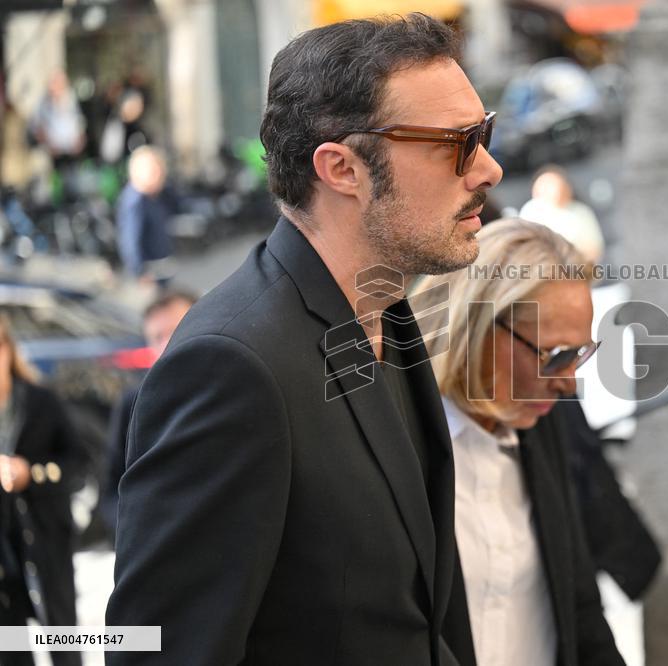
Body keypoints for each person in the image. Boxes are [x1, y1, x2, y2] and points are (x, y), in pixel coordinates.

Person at [105, 13, 502, 665]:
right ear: (342, 168)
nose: (488, 167)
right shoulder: (231, 366)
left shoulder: (387, 311)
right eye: (456, 143)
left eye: (482, 134)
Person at [418, 219, 624, 666]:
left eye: (581, 353)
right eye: (556, 356)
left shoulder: (545, 426)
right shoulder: (400, 438)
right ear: (477, 326)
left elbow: (580, 604)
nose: (568, 384)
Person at [0, 315, 85, 666]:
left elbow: (79, 465)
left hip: (47, 537)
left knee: (61, 636)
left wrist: (30, 473)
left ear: (6, 350)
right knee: (10, 645)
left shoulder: (40, 401)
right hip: (4, 553)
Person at [99, 290, 195, 538]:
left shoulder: (236, 385)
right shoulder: (132, 405)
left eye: (175, 330)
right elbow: (111, 491)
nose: (166, 343)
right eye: (156, 337)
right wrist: (136, 532)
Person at [519, 165, 605, 265]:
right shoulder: (531, 211)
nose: (554, 191)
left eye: (556, 186)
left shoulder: (581, 212)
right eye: (547, 187)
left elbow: (594, 249)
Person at [115, 146, 177, 283]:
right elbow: (130, 242)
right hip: (149, 275)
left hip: (160, 268)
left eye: (160, 170)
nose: (160, 176)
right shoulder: (135, 202)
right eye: (154, 171)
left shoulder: (153, 196)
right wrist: (140, 273)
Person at [29, 70, 86, 172]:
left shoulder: (71, 99)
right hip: (53, 155)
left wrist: (80, 141)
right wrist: (48, 144)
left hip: (72, 152)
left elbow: (79, 121)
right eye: (56, 83)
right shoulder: (43, 103)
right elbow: (36, 128)